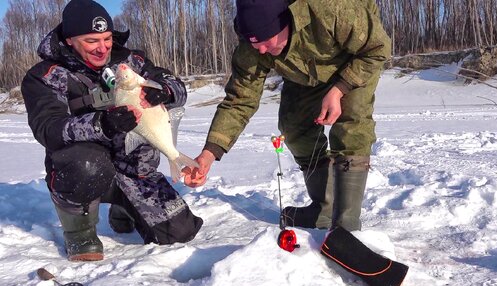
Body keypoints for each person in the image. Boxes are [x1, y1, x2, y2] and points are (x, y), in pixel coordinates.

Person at [183, 0, 391, 232]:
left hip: (356, 57)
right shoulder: (253, 46)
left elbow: (377, 48)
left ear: (285, 21)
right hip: (303, 72)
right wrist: (210, 153)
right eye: (255, 43)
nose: (261, 49)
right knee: (294, 126)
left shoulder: (330, 9)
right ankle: (324, 208)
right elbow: (240, 99)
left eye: (265, 40)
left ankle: (346, 224)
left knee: (351, 123)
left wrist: (340, 88)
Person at [21, 0, 202, 262]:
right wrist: (102, 125)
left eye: (107, 38)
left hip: (135, 169)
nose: (103, 47)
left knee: (180, 232)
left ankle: (125, 206)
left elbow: (178, 87)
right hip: (86, 169)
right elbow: (48, 129)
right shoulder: (45, 75)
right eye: (92, 40)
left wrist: (165, 90)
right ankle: (79, 231)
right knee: (86, 165)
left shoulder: (131, 62)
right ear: (71, 40)